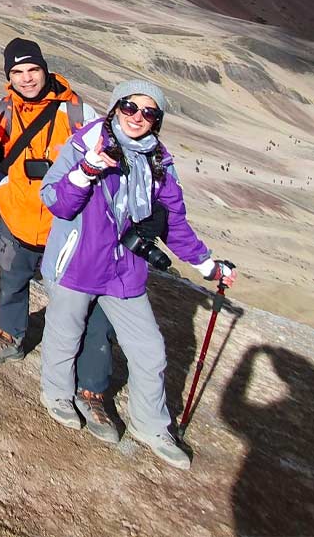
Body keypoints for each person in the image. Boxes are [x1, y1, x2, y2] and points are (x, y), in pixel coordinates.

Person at [38, 80, 238, 469]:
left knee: (150, 350)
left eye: (149, 113)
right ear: (114, 108)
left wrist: (208, 265)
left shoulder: (158, 160)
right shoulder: (85, 143)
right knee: (65, 333)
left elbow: (174, 222)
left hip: (124, 269)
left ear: (157, 121)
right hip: (76, 261)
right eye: (130, 107)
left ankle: (151, 425)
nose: (137, 118)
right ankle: (57, 394)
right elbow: (56, 201)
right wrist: (88, 169)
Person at [0, 38, 118, 441]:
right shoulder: (3, 110)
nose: (27, 79)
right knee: (12, 281)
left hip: (68, 222)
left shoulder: (78, 111)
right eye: (18, 73)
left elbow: (109, 156)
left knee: (86, 304)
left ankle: (91, 387)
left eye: (32, 71)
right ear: (8, 77)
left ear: (45, 70)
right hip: (18, 216)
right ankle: (11, 335)